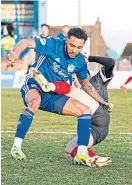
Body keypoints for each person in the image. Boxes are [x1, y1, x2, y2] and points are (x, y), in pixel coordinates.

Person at [7, 28, 113, 167]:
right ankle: (16, 147)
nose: (74, 50)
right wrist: (16, 52)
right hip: (35, 84)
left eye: (79, 47)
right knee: (35, 102)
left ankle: (81, 153)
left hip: (55, 93)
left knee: (85, 110)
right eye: (72, 45)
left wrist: (103, 102)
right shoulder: (53, 44)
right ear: (66, 41)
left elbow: (87, 86)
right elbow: (26, 42)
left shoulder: (80, 62)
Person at [30, 54, 115, 167]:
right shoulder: (74, 86)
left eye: (77, 77)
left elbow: (110, 63)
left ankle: (50, 86)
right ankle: (92, 158)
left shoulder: (98, 80)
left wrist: (89, 58)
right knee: (70, 148)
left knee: (71, 91)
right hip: (97, 131)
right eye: (73, 77)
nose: (75, 79)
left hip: (100, 115)